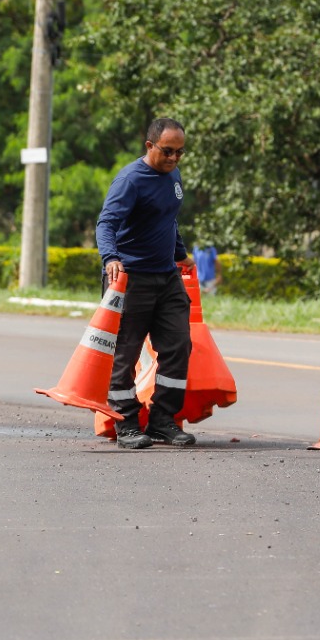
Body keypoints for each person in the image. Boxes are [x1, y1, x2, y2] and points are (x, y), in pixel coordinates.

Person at [95, 117, 196, 450]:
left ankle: (161, 420)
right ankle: (125, 422)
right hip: (131, 279)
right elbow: (106, 223)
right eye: (168, 151)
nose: (174, 159)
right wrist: (110, 258)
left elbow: (168, 220)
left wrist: (181, 254)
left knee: (179, 345)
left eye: (180, 152)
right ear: (150, 146)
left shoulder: (173, 176)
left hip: (166, 276)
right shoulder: (130, 180)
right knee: (124, 353)